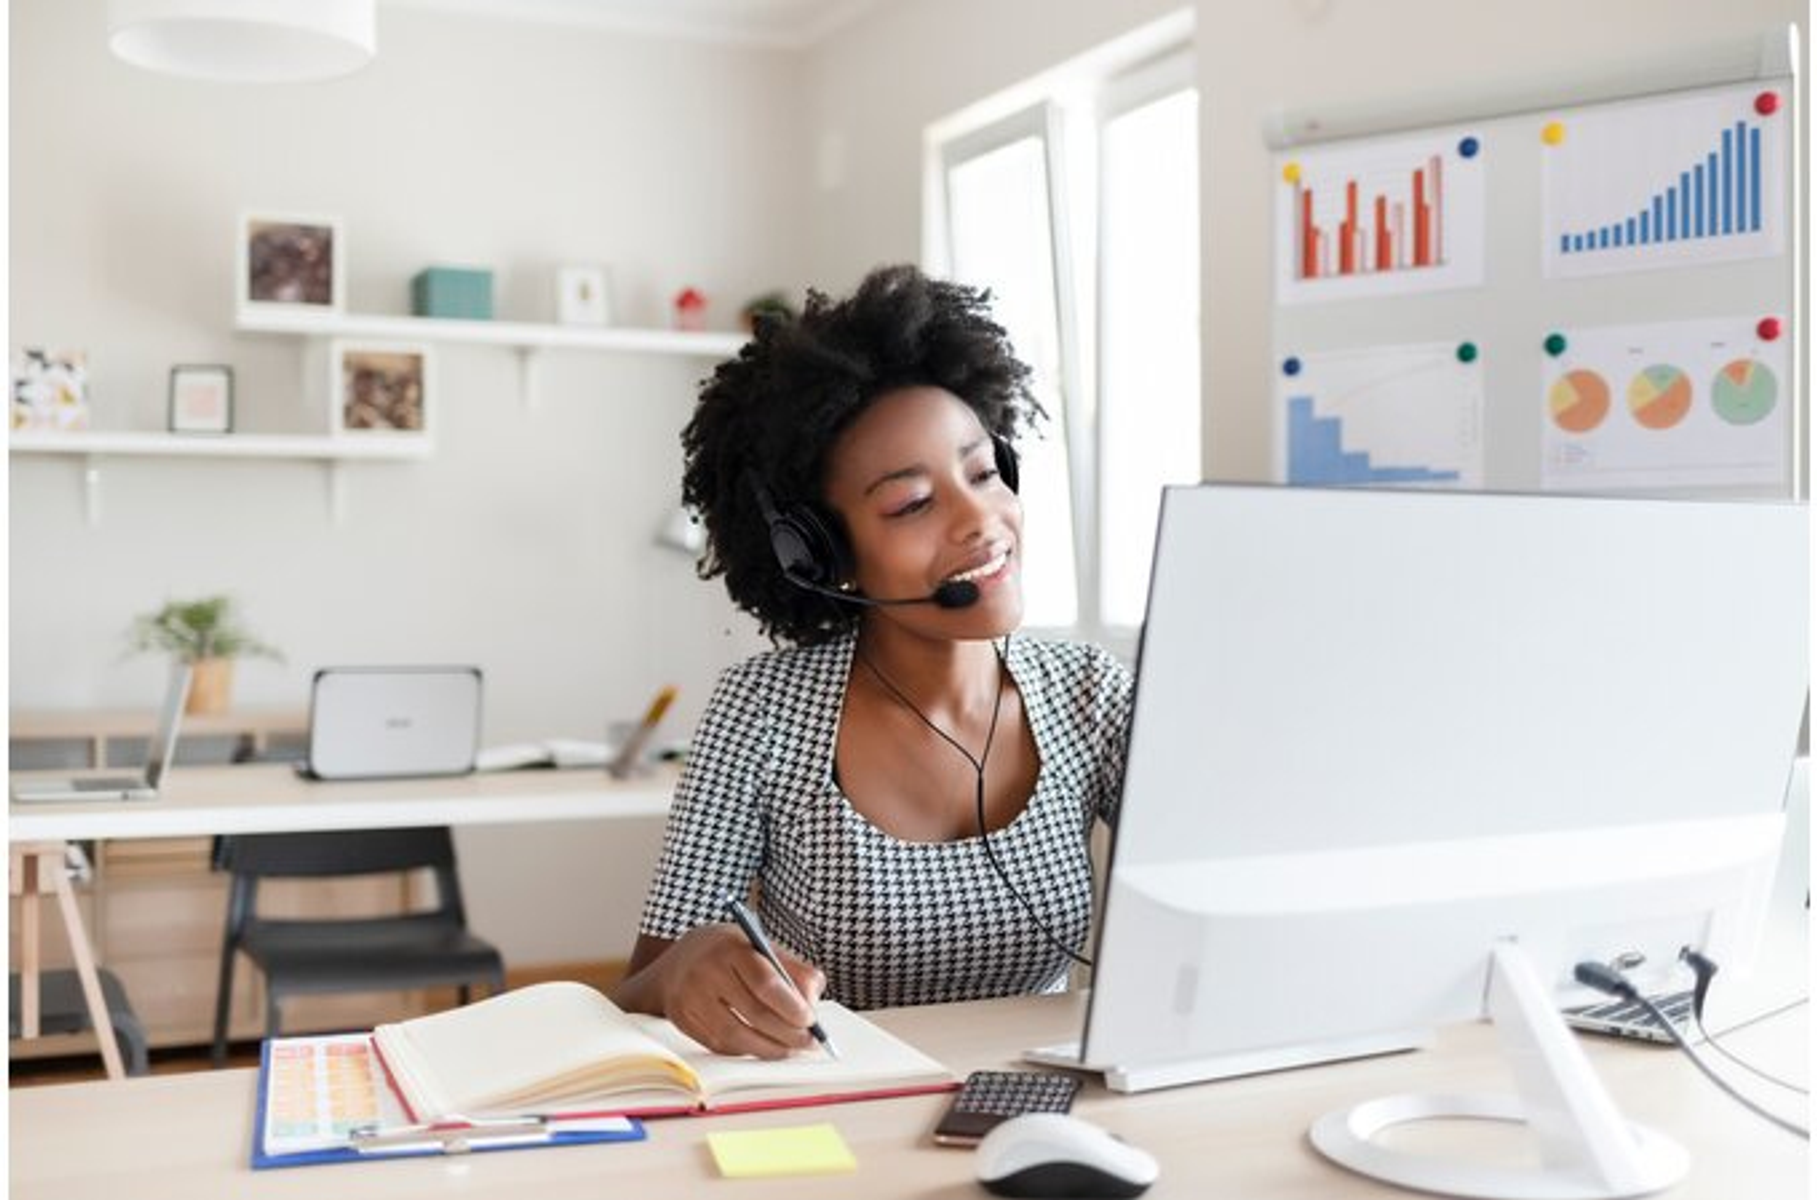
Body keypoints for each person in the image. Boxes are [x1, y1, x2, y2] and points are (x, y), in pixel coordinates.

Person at [613, 264, 1133, 1059]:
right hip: (840, 1097)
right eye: (911, 503)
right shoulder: (762, 714)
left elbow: (1214, 881)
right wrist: (688, 969)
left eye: (983, 472)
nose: (979, 519)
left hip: (1040, 1096)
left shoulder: (1089, 694)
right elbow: (638, 992)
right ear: (823, 556)